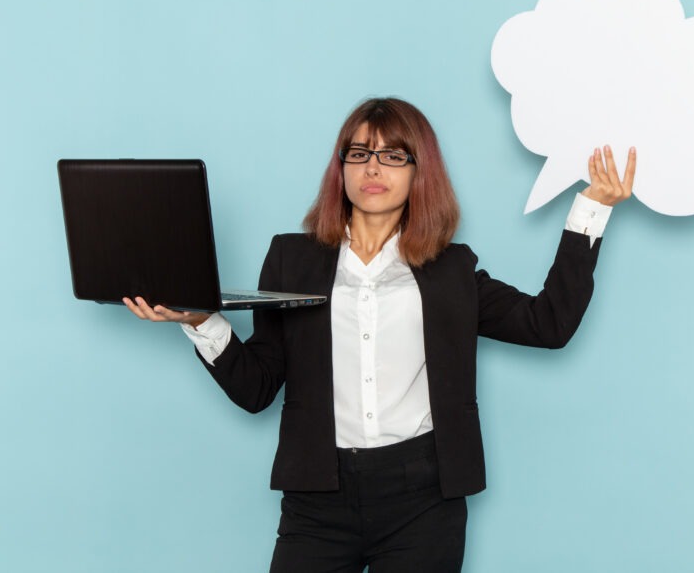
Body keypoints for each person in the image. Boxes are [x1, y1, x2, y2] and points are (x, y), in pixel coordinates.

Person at [124, 97, 636, 573]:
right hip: (316, 498)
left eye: (393, 156)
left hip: (424, 500)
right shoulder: (291, 259)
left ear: (419, 172)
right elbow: (256, 389)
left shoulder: (451, 271)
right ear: (341, 168)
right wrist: (200, 321)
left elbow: (548, 324)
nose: (373, 168)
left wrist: (592, 209)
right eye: (360, 153)